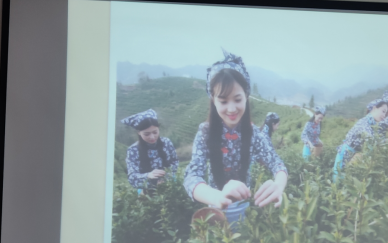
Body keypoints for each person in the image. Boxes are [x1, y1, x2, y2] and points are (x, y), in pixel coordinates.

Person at [183, 49, 288, 212]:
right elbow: (191, 177)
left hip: (243, 206)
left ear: (246, 96)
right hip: (215, 207)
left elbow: (277, 164)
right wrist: (217, 197)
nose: (231, 109)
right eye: (223, 101)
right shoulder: (205, 133)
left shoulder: (253, 133)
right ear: (213, 100)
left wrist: (278, 185)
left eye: (237, 99)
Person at [121, 109, 178, 191]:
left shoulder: (167, 142)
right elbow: (132, 178)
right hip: (146, 192)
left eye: (155, 132)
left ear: (159, 129)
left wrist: (167, 177)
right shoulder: (133, 150)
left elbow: (175, 162)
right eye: (146, 134)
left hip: (169, 186)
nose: (152, 137)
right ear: (139, 132)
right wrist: (148, 176)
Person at [333, 101, 388, 182]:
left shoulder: (372, 124)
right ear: (374, 108)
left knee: (349, 183)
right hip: (346, 154)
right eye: (383, 111)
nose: (384, 115)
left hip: (354, 156)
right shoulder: (364, 123)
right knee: (338, 183)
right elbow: (371, 142)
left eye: (386, 113)